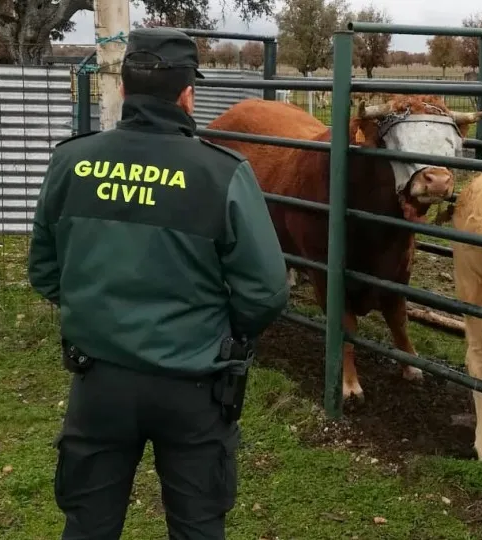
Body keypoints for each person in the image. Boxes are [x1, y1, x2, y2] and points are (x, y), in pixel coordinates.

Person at [27, 27, 290, 540]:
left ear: (124, 89)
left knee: (87, 525)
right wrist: (219, 331)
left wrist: (97, 308)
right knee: (197, 527)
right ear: (188, 92)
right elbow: (267, 291)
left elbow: (44, 271)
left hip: (98, 382)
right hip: (194, 387)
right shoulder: (223, 173)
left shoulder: (70, 162)